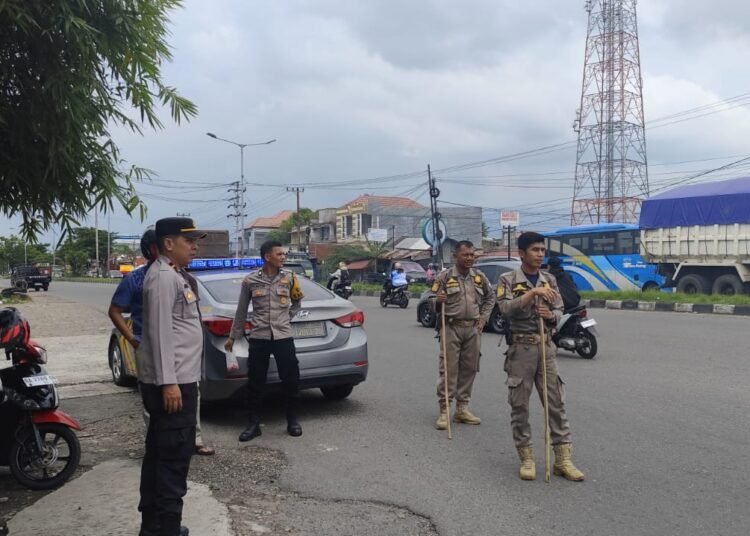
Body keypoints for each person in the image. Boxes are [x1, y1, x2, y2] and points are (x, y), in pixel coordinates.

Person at [108, 230, 214, 456]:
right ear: (154, 249)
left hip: (176, 353)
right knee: (158, 407)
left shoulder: (180, 275)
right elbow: (117, 311)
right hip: (151, 348)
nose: (194, 247)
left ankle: (190, 439)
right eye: (188, 242)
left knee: (188, 399)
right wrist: (133, 340)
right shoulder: (145, 278)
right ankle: (159, 444)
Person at [137, 217, 206, 536]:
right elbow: (160, 332)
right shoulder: (165, 277)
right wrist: (169, 383)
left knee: (160, 453)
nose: (194, 246)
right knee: (174, 458)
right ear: (168, 244)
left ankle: (153, 525)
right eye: (188, 240)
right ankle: (167, 528)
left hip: (176, 380)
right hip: (173, 383)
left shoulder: (173, 275)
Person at [498, 232, 584, 482]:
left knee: (555, 403)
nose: (539, 254)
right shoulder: (508, 279)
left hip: (545, 348)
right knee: (520, 405)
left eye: (542, 250)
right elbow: (505, 309)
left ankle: (563, 458)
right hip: (521, 350)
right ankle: (526, 458)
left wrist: (550, 315)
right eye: (534, 250)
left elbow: (559, 308)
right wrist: (531, 295)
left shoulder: (549, 279)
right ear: (521, 253)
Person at [225, 240, 305, 442]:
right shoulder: (250, 280)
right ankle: (253, 424)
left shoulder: (290, 278)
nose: (283, 257)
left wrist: (287, 318)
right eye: (279, 254)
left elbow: (297, 302)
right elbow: (241, 311)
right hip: (259, 337)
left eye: (283, 254)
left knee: (291, 379)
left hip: (283, 337)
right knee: (256, 382)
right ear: (267, 257)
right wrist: (232, 337)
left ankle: (292, 420)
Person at [432, 241, 495, 429]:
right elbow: (429, 298)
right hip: (451, 327)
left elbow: (491, 297)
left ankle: (462, 408)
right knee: (448, 369)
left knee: (469, 368)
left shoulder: (479, 277)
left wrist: (484, 318)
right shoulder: (444, 277)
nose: (470, 258)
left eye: (472, 255)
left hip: (473, 329)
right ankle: (445, 410)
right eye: (465, 255)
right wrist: (437, 301)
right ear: (455, 256)